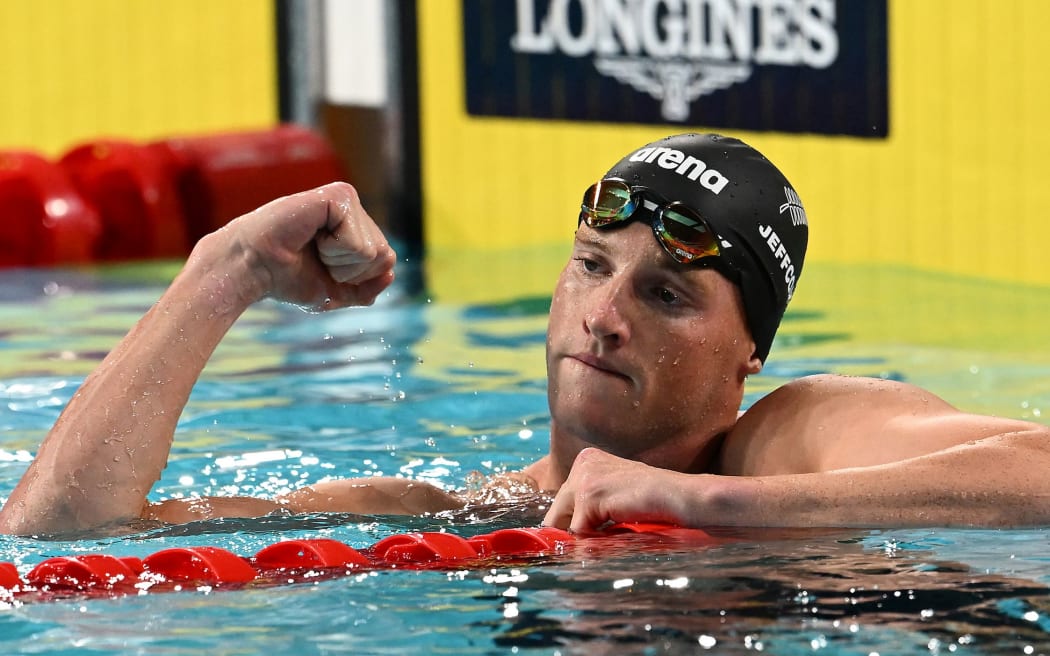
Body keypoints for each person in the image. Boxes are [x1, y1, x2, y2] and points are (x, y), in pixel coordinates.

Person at [1, 133, 1047, 537]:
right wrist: (220, 269)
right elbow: (63, 533)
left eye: (671, 295)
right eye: (591, 266)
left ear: (751, 352)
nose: (602, 314)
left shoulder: (796, 438)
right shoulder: (450, 513)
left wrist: (710, 501)